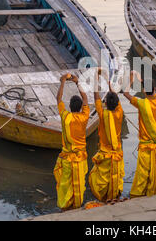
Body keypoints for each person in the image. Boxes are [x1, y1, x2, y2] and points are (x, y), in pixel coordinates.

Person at [123, 70, 156, 197]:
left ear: (144, 91)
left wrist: (132, 78)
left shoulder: (142, 103)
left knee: (143, 173)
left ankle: (138, 194)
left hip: (145, 145)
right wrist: (144, 80)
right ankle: (153, 189)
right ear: (154, 89)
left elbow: (125, 93)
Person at [53, 73, 90, 210]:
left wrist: (62, 81)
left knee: (65, 184)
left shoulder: (65, 116)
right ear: (81, 107)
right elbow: (85, 98)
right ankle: (77, 204)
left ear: (70, 106)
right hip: (80, 158)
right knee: (79, 184)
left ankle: (65, 206)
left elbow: (58, 99)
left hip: (68, 159)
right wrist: (77, 82)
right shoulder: (85, 116)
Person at [89, 68, 125, 201]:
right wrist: (110, 84)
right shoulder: (120, 112)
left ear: (106, 104)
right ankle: (115, 196)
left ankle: (105, 198)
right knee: (116, 176)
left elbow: (96, 97)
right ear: (116, 105)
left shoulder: (103, 114)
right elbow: (115, 97)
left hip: (105, 153)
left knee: (100, 179)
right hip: (117, 153)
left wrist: (96, 80)